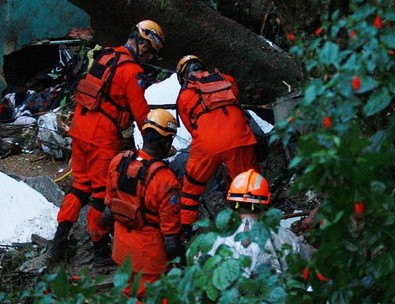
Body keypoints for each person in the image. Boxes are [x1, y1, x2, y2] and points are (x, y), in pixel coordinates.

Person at [45, 20, 165, 266]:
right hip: (102, 138)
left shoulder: (105, 57)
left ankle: (57, 244)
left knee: (79, 187)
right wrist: (156, 144)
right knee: (101, 195)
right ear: (142, 43)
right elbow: (141, 113)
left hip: (80, 130)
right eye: (150, 50)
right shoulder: (132, 71)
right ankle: (100, 253)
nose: (149, 56)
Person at [103, 109, 184, 299]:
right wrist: (184, 264)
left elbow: (107, 213)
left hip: (122, 252)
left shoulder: (118, 161)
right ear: (166, 141)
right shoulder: (166, 180)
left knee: (129, 296)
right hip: (149, 259)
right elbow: (171, 239)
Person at [175, 55, 258, 235]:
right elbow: (236, 99)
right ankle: (253, 227)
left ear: (183, 76)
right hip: (239, 138)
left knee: (191, 188)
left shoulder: (184, 96)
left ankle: (183, 232)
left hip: (207, 144)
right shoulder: (226, 79)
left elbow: (191, 127)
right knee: (247, 185)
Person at [207, 169, 310, 276]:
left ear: (232, 203)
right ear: (265, 204)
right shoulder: (287, 238)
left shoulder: (216, 242)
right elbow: (305, 274)